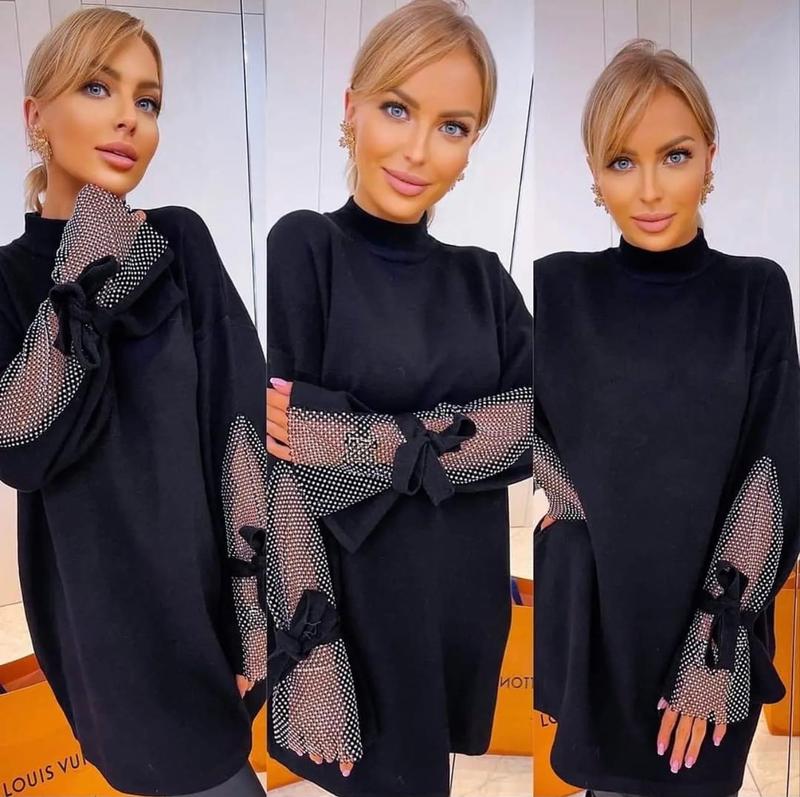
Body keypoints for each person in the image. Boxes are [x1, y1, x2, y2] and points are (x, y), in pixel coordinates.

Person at [265, 1, 532, 795]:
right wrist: (313, 654)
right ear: (351, 108)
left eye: (452, 126)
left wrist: (361, 440)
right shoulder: (306, 246)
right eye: (396, 109)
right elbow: (286, 466)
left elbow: (536, 424)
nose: (419, 149)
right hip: (357, 613)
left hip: (460, 601)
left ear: (473, 143)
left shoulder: (482, 277)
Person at [0, 8, 267, 796]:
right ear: (35, 117)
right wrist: (89, 252)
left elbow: (240, 427)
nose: (130, 118)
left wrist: (255, 606)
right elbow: (21, 447)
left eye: (147, 101)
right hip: (98, 617)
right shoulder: (8, 280)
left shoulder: (179, 242)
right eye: (98, 87)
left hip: (206, 597)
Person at [533, 39, 799, 797]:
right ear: (594, 173)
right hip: (602, 627)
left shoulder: (755, 293)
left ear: (710, 155)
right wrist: (566, 494)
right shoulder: (558, 289)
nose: (649, 189)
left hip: (717, 621)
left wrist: (715, 646)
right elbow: (517, 420)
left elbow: (772, 467)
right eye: (622, 161)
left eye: (674, 155)